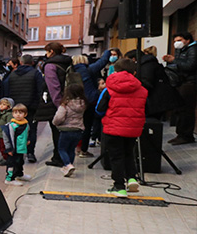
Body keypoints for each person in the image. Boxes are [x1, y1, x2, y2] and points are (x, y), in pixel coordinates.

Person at [95, 58, 147, 197]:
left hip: (113, 128)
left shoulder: (109, 89)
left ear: (115, 71)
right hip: (133, 128)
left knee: (116, 157)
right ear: (134, 73)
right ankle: (131, 178)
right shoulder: (142, 90)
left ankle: (119, 186)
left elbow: (99, 109)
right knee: (129, 153)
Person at [2, 54, 44, 163]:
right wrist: (38, 104)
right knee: (31, 130)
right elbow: (40, 90)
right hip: (31, 107)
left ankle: (16, 153)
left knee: (15, 129)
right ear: (32, 63)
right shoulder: (36, 73)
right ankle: (30, 153)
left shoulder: (13, 74)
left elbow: (8, 89)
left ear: (21, 63)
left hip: (16, 107)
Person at [70, 50, 112, 158]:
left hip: (75, 101)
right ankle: (83, 150)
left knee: (77, 126)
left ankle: (76, 147)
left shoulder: (71, 72)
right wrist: (108, 52)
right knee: (87, 126)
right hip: (89, 101)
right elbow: (102, 62)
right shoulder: (87, 69)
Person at [42, 42, 73, 167]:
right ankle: (66, 156)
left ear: (51, 52)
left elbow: (53, 88)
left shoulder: (50, 66)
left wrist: (60, 106)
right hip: (71, 100)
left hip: (58, 103)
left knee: (57, 132)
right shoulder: (68, 62)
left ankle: (59, 158)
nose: (46, 54)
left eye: (47, 51)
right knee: (66, 131)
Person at [162, 32, 196, 145]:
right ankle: (181, 134)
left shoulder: (193, 49)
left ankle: (186, 135)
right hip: (181, 81)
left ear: (187, 40)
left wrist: (174, 60)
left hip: (190, 82)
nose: (177, 43)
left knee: (186, 109)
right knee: (180, 109)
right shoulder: (181, 50)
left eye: (179, 40)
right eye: (175, 41)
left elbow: (190, 65)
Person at [52, 84, 86, 177]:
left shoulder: (65, 104)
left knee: (62, 149)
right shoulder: (83, 104)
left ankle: (68, 164)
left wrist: (55, 123)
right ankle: (69, 167)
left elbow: (59, 117)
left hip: (66, 129)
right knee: (71, 149)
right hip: (78, 129)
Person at [2, 103, 32, 186]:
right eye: (15, 113)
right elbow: (7, 138)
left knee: (20, 162)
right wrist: (9, 148)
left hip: (21, 148)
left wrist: (27, 140)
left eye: (20, 113)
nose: (18, 115)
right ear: (12, 114)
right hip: (13, 149)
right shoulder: (11, 125)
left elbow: (27, 133)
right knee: (12, 164)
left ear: (25, 114)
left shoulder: (26, 124)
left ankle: (19, 174)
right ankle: (9, 179)